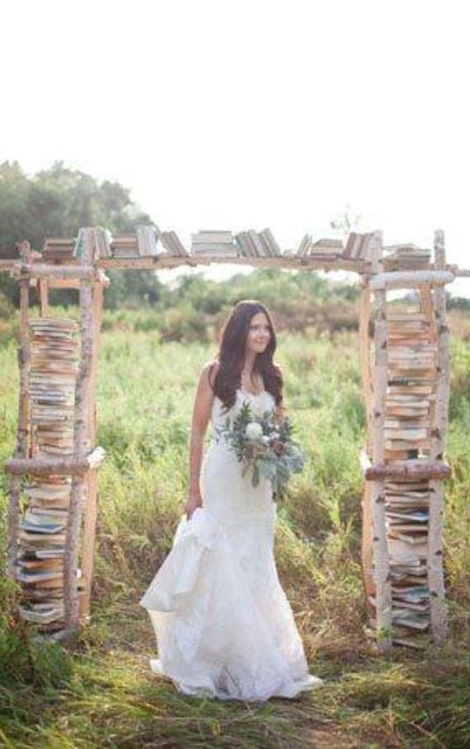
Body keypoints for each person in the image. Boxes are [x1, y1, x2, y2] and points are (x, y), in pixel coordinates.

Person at [140, 300, 322, 700]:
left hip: (257, 489)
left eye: (266, 328)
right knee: (220, 561)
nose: (262, 334)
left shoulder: (272, 375)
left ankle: (253, 657)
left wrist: (276, 455)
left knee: (255, 560)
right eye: (254, 327)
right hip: (222, 479)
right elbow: (197, 433)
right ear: (238, 330)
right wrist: (193, 490)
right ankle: (212, 659)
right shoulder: (214, 373)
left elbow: (276, 428)